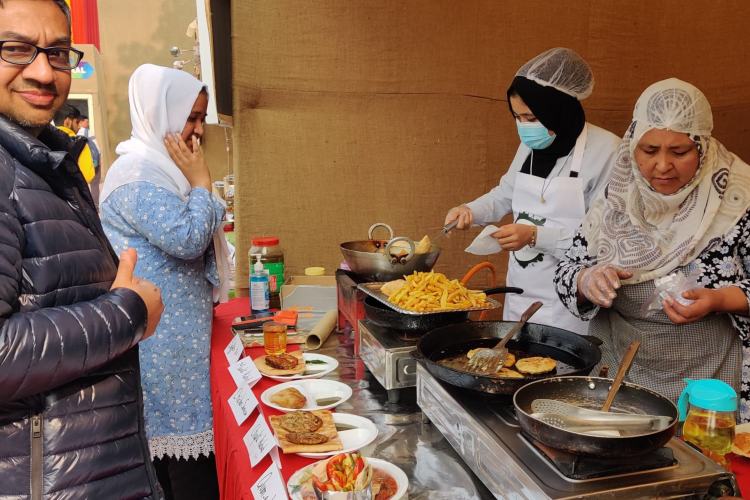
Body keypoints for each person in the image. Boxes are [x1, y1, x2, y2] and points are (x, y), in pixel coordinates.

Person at [0, 0, 165, 498]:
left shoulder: (45, 161)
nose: (43, 71)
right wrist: (128, 312)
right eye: (16, 49)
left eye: (56, 52)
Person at [554, 78, 750, 419]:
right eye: (649, 150)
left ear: (703, 146)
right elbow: (568, 269)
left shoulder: (738, 199)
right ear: (633, 146)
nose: (662, 166)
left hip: (709, 381)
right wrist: (587, 281)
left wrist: (719, 300)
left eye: (679, 152)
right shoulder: (618, 193)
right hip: (619, 369)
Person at [100, 64, 229, 500]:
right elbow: (189, 238)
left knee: (188, 461)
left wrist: (198, 187)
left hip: (177, 341)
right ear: (160, 113)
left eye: (200, 118)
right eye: (189, 117)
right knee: (181, 470)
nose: (197, 131)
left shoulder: (158, 170)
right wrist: (202, 183)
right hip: (162, 345)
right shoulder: (136, 176)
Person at [444, 48, 620, 334]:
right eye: (517, 117)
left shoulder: (607, 150)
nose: (524, 127)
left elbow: (603, 237)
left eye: (531, 118)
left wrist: (535, 235)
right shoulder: (532, 145)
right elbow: (505, 193)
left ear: (557, 108)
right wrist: (470, 211)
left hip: (572, 300)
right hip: (521, 289)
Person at [54, 102, 95, 182]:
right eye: (77, 122)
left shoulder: (42, 138)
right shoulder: (80, 143)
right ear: (68, 121)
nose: (79, 127)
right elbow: (88, 176)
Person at [78, 114, 102, 206]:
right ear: (80, 122)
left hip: (90, 160)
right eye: (86, 121)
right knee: (94, 183)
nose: (88, 123)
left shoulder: (83, 132)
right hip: (93, 160)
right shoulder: (84, 132)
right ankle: (95, 205)